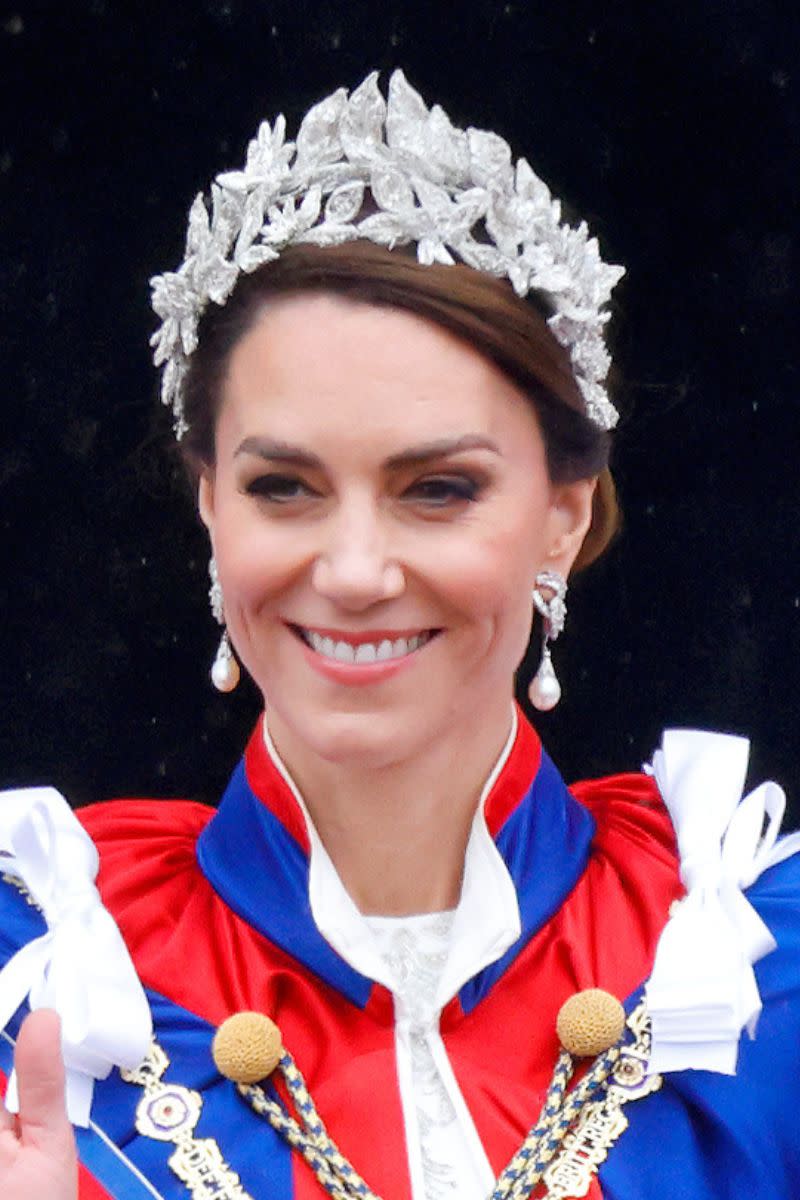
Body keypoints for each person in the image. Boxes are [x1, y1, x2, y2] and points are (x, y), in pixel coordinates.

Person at [1, 70, 799, 1200]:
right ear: (208, 507)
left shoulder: (756, 967)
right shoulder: (36, 979)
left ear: (561, 518)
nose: (357, 572)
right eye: (284, 488)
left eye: (435, 489)